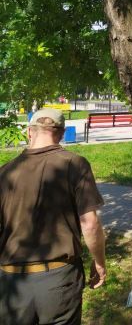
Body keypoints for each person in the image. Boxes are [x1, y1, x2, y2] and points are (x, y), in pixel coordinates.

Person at [0, 108, 106, 325]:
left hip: (11, 283)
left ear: (30, 132)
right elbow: (90, 223)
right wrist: (99, 261)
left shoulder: (4, 173)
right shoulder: (74, 164)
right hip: (58, 280)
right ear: (61, 133)